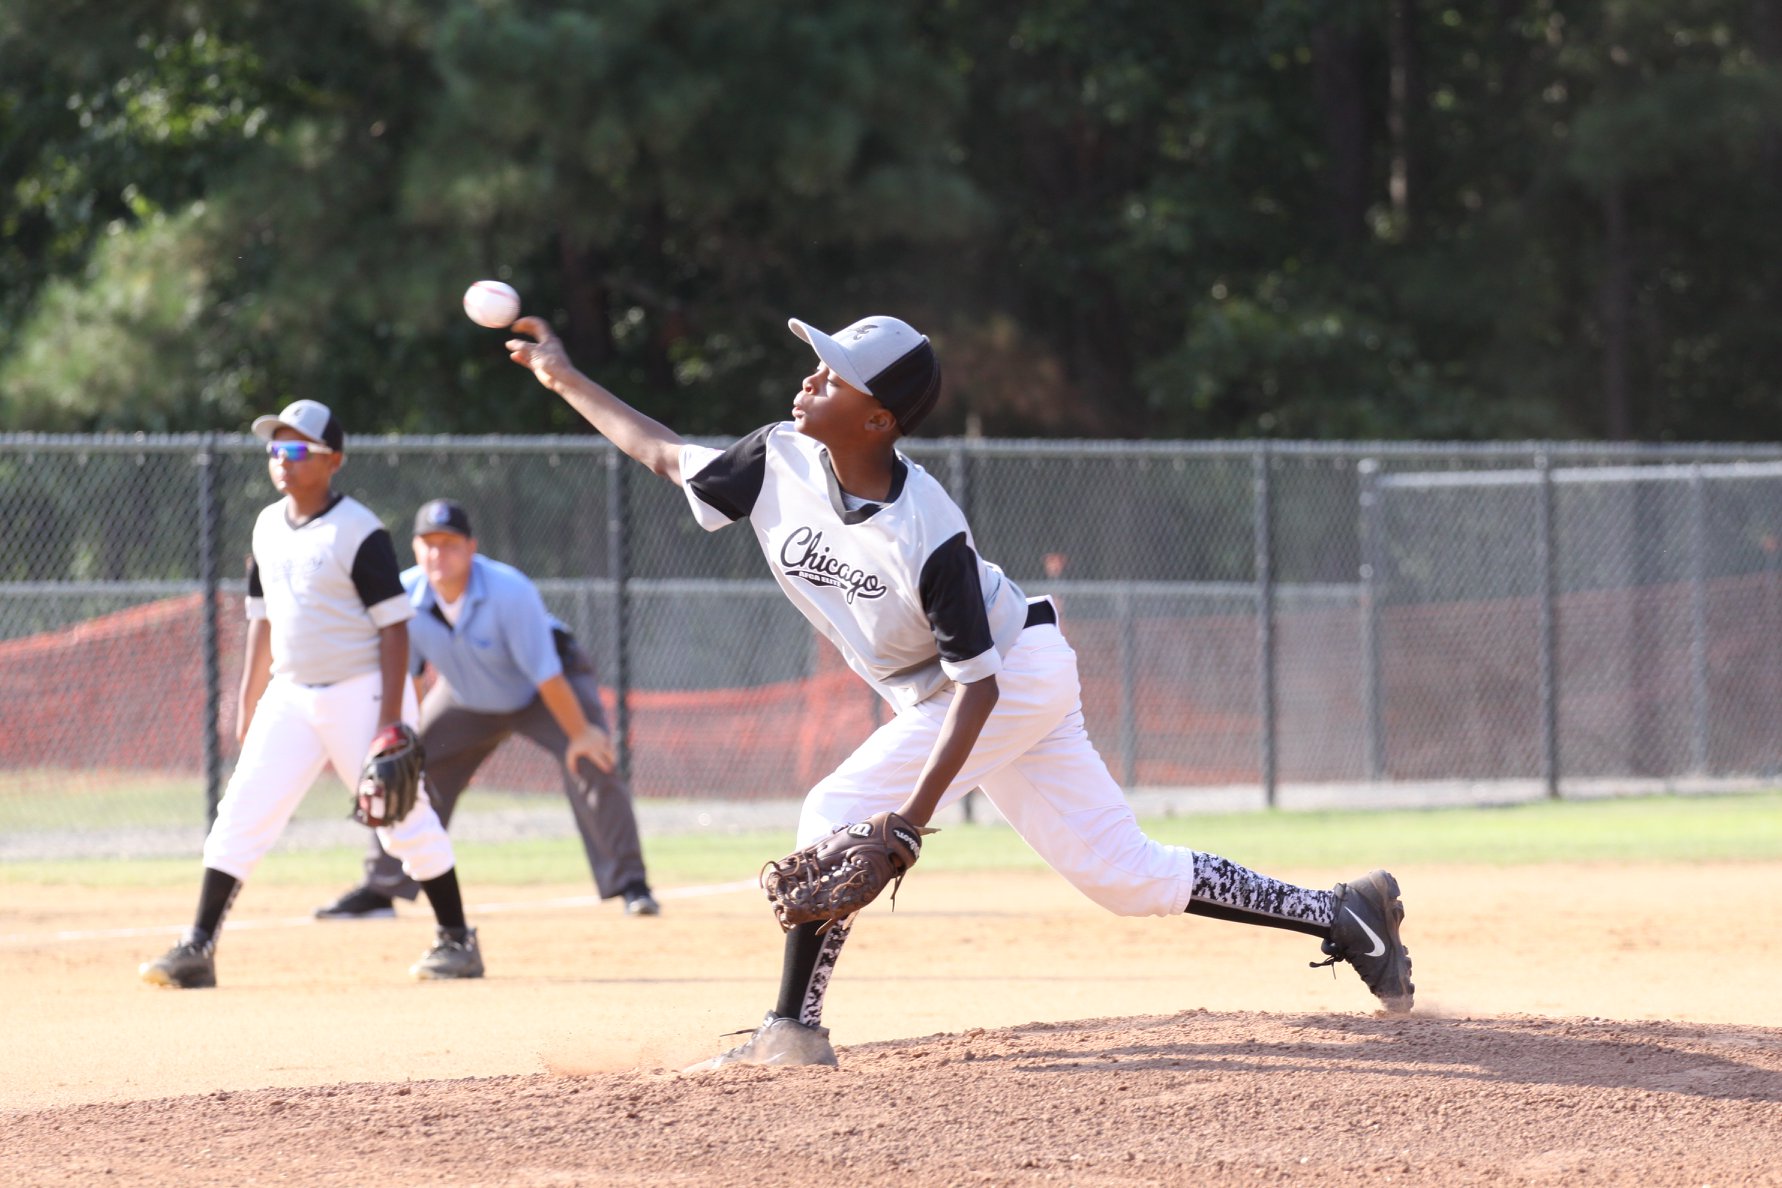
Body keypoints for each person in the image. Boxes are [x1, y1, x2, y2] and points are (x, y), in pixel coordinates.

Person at [503, 312, 1414, 1068]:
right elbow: (664, 456)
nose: (813, 376)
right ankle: (1345, 914)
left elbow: (976, 693)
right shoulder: (776, 456)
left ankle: (792, 1030)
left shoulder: (926, 529)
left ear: (879, 421)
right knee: (1125, 876)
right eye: (819, 361)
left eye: (838, 374)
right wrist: (564, 377)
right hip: (956, 690)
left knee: (840, 805)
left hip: (1007, 677)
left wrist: (909, 822)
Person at [139, 400, 484, 989]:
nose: (282, 460)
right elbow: (261, 620)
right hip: (291, 691)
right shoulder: (266, 525)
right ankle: (197, 945)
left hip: (362, 688)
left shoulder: (359, 531)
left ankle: (457, 940)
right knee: (241, 812)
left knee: (400, 816)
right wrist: (247, 699)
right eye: (276, 447)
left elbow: (394, 627)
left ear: (334, 462)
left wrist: (389, 720)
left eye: (297, 449)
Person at [312, 498, 659, 920]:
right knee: (400, 768)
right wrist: (406, 740)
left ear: (472, 547)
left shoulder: (509, 592)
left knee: (592, 757)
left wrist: (581, 733)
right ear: (416, 548)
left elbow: (546, 676)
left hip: (545, 689)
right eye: (429, 543)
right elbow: (410, 679)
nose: (439, 554)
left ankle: (631, 885)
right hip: (466, 696)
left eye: (450, 543)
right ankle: (381, 888)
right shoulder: (404, 596)